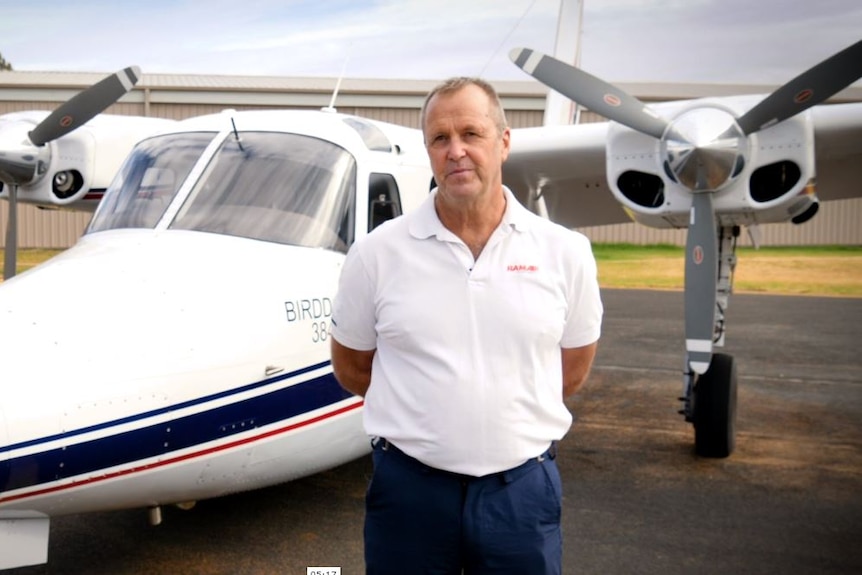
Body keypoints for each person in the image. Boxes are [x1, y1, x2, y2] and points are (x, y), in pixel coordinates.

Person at [330, 77, 603, 575]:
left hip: (520, 493)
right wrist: (431, 415)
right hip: (409, 492)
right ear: (428, 151)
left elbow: (573, 368)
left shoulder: (565, 252)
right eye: (440, 138)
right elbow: (351, 366)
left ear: (503, 142)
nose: (455, 151)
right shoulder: (375, 254)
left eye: (471, 134)